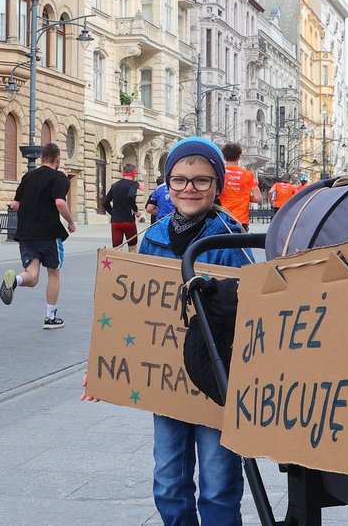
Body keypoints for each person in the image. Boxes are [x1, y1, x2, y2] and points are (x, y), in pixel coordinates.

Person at [133, 137, 253, 525]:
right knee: (168, 481)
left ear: (217, 186)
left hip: (215, 376)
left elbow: (249, 308)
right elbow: (134, 312)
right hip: (167, 380)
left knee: (218, 485)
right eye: (179, 180)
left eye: (202, 181)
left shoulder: (230, 238)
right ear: (167, 184)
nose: (189, 188)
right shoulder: (152, 237)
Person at [0, 143, 76, 329]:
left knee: (32, 277)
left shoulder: (28, 177)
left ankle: (15, 280)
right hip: (48, 233)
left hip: (26, 233)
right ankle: (50, 317)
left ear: (42, 158)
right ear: (57, 159)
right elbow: (59, 202)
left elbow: (15, 205)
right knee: (53, 273)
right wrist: (70, 221)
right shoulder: (59, 178)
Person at [218, 142, 263, 228]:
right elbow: (258, 198)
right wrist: (246, 196)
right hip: (241, 220)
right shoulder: (248, 174)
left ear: (224, 157)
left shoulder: (220, 173)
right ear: (239, 157)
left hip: (222, 218)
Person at [103, 163, 141, 252]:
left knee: (117, 248)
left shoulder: (115, 185)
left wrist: (113, 213)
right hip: (128, 220)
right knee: (132, 247)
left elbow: (105, 202)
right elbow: (131, 196)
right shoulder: (134, 184)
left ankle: (117, 265)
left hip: (116, 221)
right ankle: (130, 266)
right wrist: (136, 210)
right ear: (134, 173)